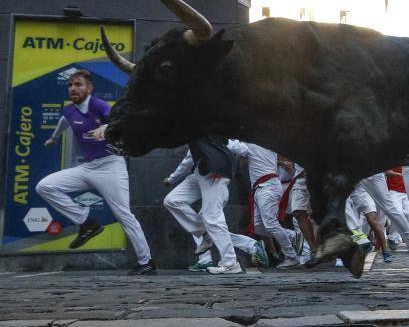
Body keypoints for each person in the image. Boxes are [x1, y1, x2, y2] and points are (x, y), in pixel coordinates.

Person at [36, 70, 154, 275]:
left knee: (124, 215)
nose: (73, 88)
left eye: (78, 84)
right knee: (44, 186)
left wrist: (106, 127)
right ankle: (87, 223)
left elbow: (122, 122)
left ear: (89, 88)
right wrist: (54, 138)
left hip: (110, 166)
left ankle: (147, 262)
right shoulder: (69, 110)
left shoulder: (99, 105)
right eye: (70, 85)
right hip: (88, 168)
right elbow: (63, 122)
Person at [162, 136, 264, 274]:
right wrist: (171, 178)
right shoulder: (196, 139)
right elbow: (189, 159)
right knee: (172, 201)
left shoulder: (213, 135)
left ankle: (230, 263)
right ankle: (206, 234)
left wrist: (221, 163)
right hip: (199, 175)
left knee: (212, 220)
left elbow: (242, 148)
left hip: (215, 177)